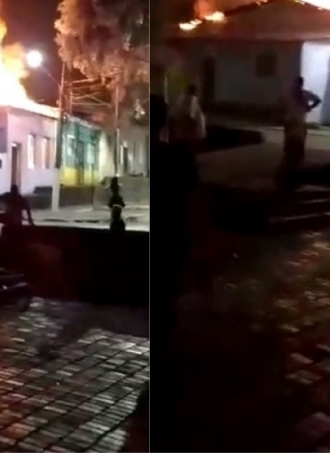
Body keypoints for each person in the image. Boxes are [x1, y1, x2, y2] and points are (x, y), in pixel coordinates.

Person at [123, 94, 198, 452]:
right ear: (165, 122)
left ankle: (157, 378)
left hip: (145, 249)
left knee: (153, 311)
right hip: (172, 246)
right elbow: (193, 206)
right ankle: (163, 379)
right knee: (165, 311)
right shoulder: (181, 158)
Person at [281, 76, 321, 185]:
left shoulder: (298, 94)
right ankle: (292, 166)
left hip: (295, 122)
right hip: (295, 123)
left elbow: (318, 100)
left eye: (297, 83)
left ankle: (293, 167)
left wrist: (309, 107)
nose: (297, 86)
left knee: (295, 144)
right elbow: (318, 100)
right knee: (294, 144)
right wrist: (309, 107)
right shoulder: (301, 95)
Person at [169, 83, 206, 148]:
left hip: (183, 133)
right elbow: (190, 116)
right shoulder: (192, 99)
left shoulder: (181, 100)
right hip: (192, 134)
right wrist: (193, 129)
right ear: (194, 91)